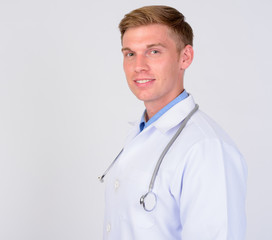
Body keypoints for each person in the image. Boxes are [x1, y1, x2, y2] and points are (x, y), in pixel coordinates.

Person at [99, 5, 247, 240]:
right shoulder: (141, 132)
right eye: (130, 54)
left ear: (185, 57)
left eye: (154, 51)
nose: (138, 66)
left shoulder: (205, 148)